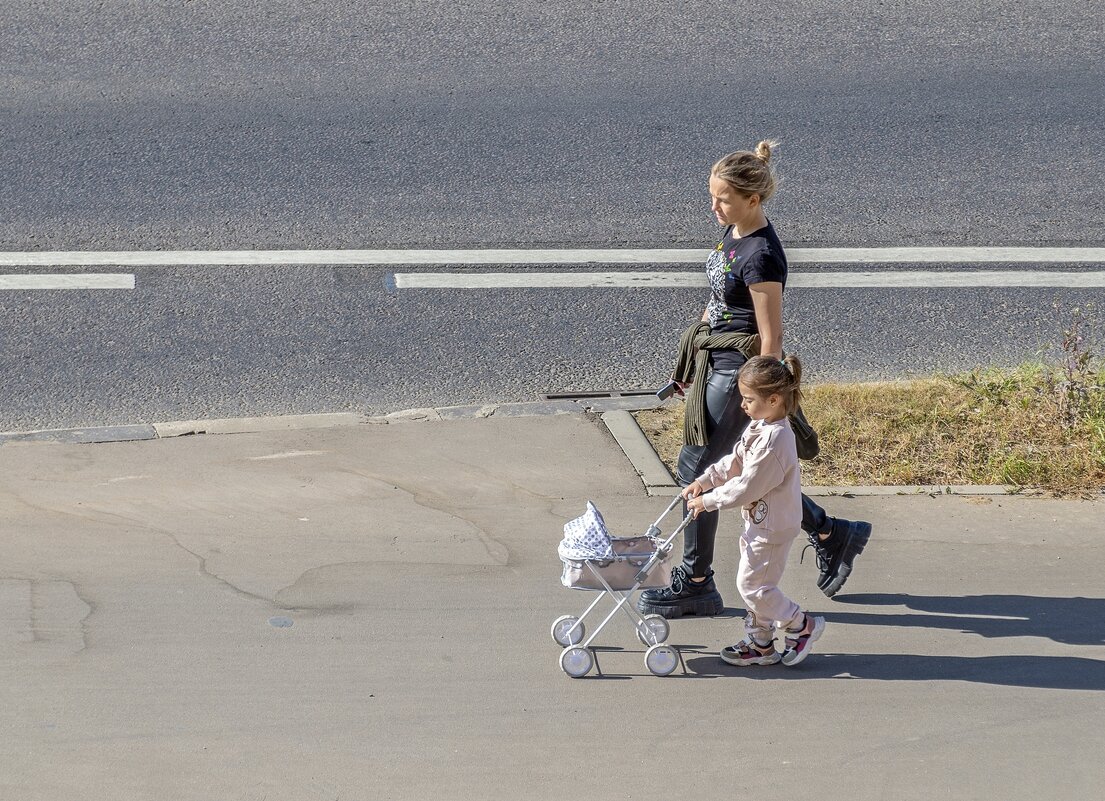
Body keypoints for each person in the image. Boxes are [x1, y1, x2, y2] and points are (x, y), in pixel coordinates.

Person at [637, 141, 870, 620]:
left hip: (737, 371)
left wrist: (764, 404)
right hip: (712, 364)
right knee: (737, 469)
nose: (714, 206)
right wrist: (690, 360)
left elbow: (771, 335)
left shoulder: (762, 254)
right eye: (713, 195)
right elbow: (719, 297)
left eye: (723, 198)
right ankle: (830, 532)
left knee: (696, 467)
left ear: (753, 200)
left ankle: (697, 583)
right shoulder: (733, 232)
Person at [684, 355, 823, 666]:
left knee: (753, 586)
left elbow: (749, 486)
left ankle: (801, 625)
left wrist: (708, 502)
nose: (742, 406)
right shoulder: (761, 425)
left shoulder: (776, 440)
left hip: (773, 526)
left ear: (773, 400)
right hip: (762, 521)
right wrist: (705, 481)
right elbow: (735, 460)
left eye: (748, 399)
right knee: (756, 584)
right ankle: (760, 643)